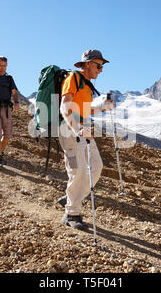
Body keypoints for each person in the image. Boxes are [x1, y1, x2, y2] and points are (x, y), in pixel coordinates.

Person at [58, 49, 114, 230]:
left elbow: (85, 111)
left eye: (102, 66)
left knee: (96, 167)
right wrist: (77, 129)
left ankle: (72, 197)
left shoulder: (87, 85)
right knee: (78, 170)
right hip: (70, 130)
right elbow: (64, 106)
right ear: (88, 64)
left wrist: (102, 109)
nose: (101, 70)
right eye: (98, 66)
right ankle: (71, 214)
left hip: (84, 129)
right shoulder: (73, 79)